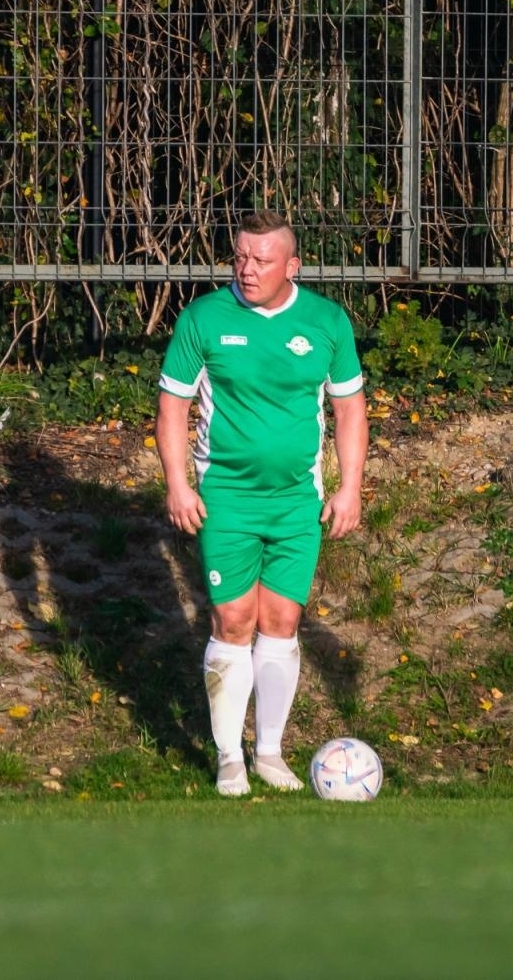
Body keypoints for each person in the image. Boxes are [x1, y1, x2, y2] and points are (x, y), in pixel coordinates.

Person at [156, 210, 368, 796]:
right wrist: (178, 482)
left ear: (292, 266)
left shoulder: (326, 322)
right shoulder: (203, 319)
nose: (247, 271)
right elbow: (172, 405)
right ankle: (229, 757)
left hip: (299, 502)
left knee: (282, 622)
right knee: (232, 619)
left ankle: (268, 751)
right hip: (226, 499)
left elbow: (349, 408)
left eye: (262, 260)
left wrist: (350, 486)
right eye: (240, 258)